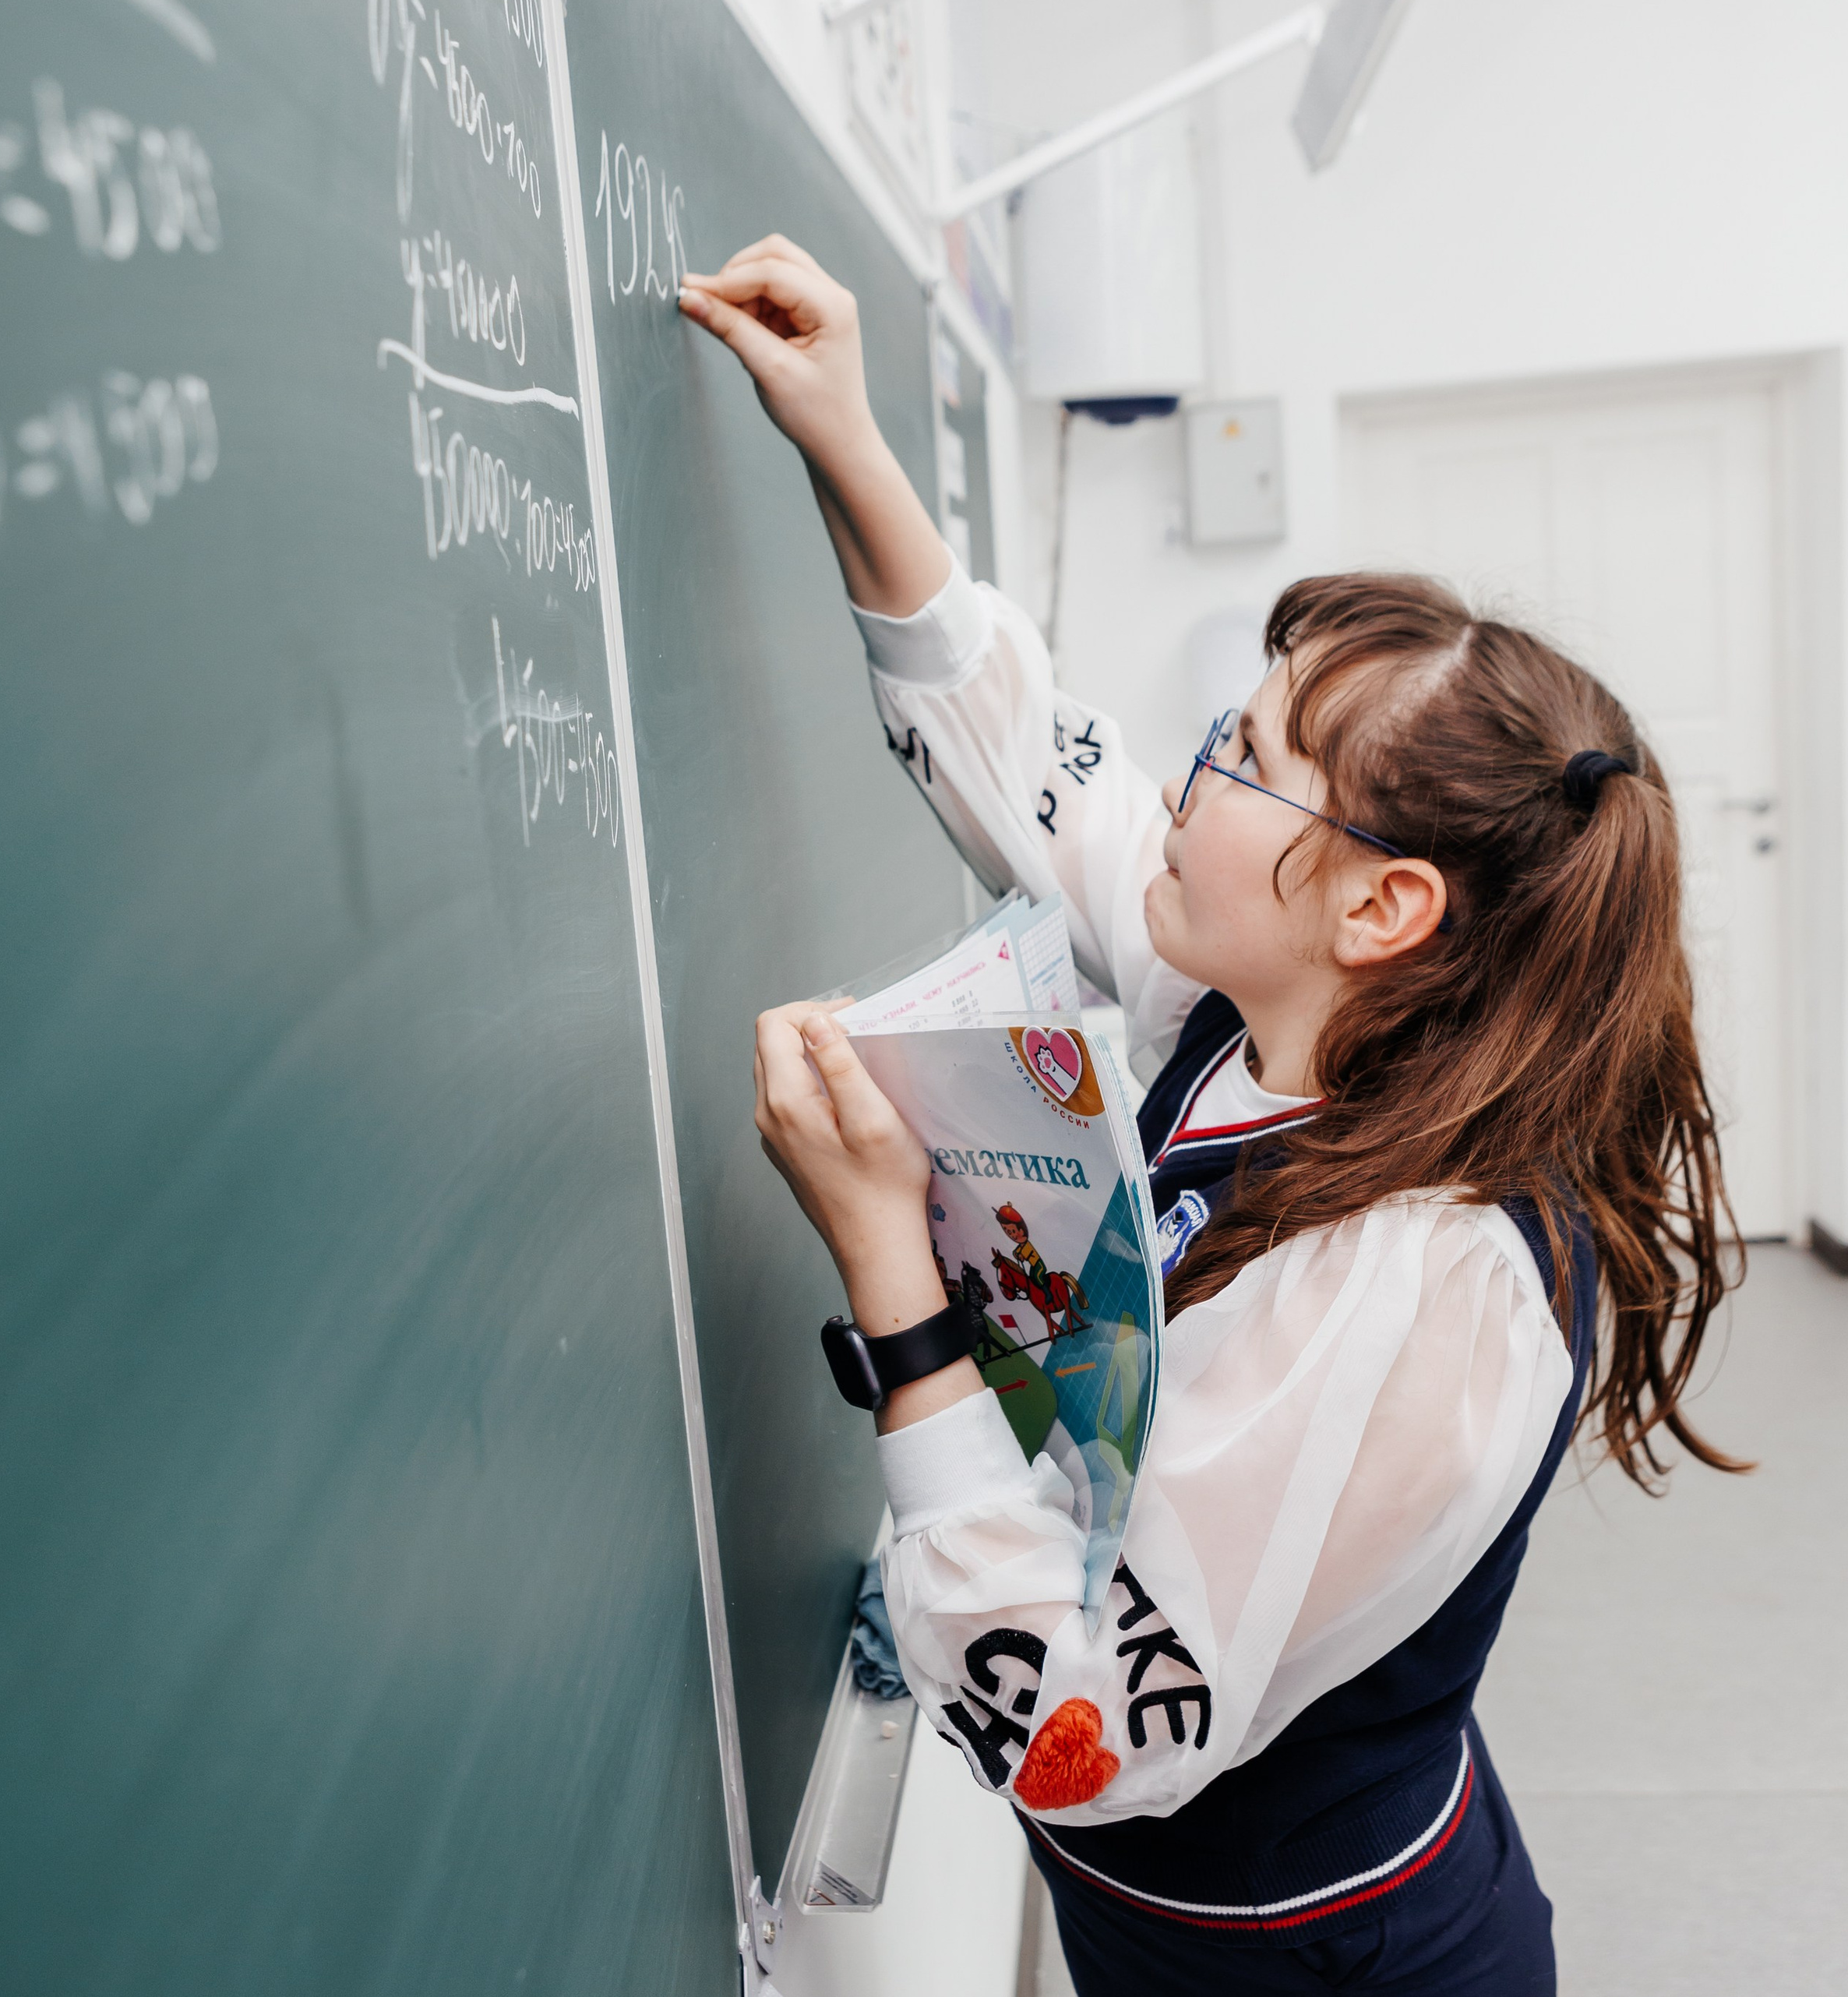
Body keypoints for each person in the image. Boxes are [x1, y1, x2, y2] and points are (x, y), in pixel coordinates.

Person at [681, 239, 1745, 1995]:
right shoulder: (1257, 1013)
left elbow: (1086, 1730)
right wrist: (844, 441)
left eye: (1240, 758)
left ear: (1380, 909)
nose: (1182, 777)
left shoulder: (1423, 1287)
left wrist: (889, 1260)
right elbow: (1040, 760)